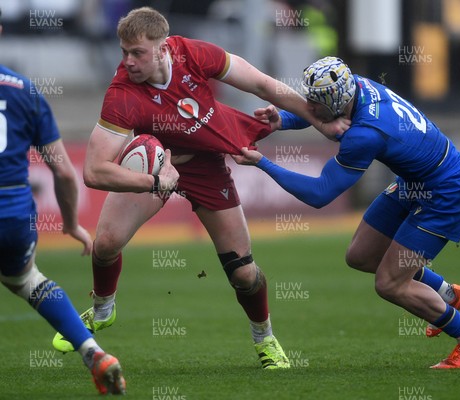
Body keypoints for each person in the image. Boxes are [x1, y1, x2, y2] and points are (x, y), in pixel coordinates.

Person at [51, 7, 346, 369]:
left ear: (164, 49)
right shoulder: (121, 94)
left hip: (206, 166)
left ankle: (265, 339)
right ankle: (102, 310)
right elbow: (94, 171)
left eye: (137, 52)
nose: (128, 61)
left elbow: (262, 85)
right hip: (158, 166)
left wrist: (319, 122)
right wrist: (156, 181)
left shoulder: (194, 53)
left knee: (243, 272)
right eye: (124, 51)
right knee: (106, 244)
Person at [233, 57, 460, 369]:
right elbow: (322, 114)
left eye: (315, 102)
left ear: (336, 100)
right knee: (361, 255)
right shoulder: (354, 83)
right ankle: (446, 292)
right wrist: (284, 121)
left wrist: (263, 162)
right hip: (417, 181)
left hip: (448, 192)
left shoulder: (365, 134)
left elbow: (320, 194)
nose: (310, 107)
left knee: (390, 283)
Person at [0, 9, 126, 395]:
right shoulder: (26, 91)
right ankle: (92, 351)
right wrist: (71, 224)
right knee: (26, 280)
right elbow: (65, 173)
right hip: (14, 213)